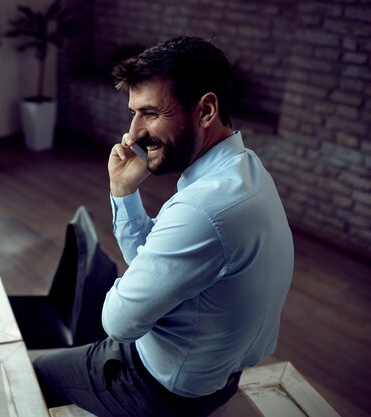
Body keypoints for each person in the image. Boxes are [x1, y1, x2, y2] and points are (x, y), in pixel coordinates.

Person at [32, 36, 295, 417]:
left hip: (161, 389)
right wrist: (123, 192)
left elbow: (118, 323)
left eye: (151, 113)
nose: (134, 133)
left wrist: (135, 289)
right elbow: (159, 260)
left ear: (205, 110)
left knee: (35, 373)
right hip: (221, 374)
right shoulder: (247, 170)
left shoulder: (202, 209)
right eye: (134, 112)